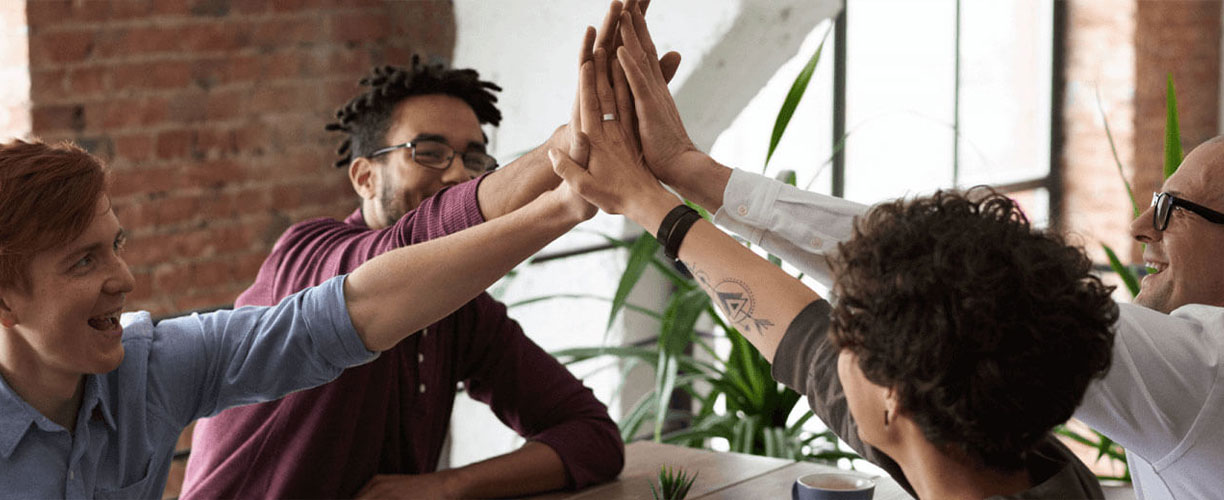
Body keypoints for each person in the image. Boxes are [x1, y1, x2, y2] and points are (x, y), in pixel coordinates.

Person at [599, 5, 1224, 499]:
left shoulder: (1205, 375)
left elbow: (923, 288)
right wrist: (675, 185)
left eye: (1172, 208)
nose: (1142, 224)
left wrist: (662, 194)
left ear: (894, 393)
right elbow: (830, 333)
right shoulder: (1053, 474)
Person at [182, 5, 683, 498]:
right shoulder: (307, 257)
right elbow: (409, 248)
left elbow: (592, 437)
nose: (458, 173)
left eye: (473, 157)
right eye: (428, 152)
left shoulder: (460, 310)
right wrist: (566, 150)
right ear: (364, 175)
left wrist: (446, 486)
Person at [0, 138, 593, 499]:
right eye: (83, 261)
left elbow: (348, 311)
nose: (123, 280)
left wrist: (562, 206)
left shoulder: (149, 369)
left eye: (116, 245)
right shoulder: (310, 247)